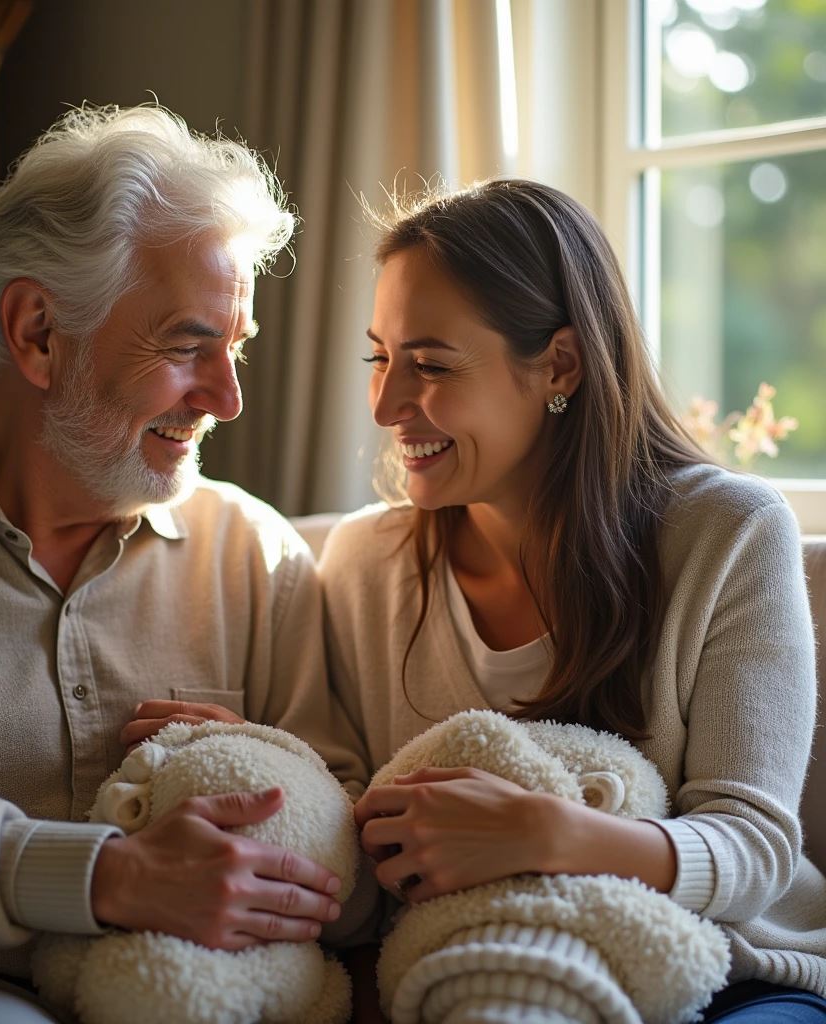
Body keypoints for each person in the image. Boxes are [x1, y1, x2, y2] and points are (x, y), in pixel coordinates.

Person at [0, 105, 368, 1023]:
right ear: (35, 333)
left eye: (237, 350)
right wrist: (110, 875)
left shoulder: (253, 551)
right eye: (188, 345)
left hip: (203, 985)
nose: (225, 398)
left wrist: (270, 769)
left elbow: (350, 859)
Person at [320, 179, 826, 1019]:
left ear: (559, 364)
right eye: (380, 357)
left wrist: (547, 837)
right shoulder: (363, 568)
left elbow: (755, 847)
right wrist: (279, 767)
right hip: (489, 977)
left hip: (736, 976)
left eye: (432, 365)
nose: (386, 405)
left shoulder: (726, 533)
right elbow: (361, 834)